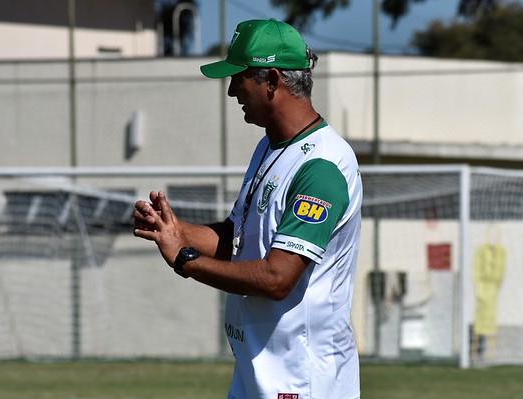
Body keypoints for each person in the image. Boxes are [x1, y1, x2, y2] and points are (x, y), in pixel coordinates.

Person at [133, 18, 362, 399]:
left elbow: (277, 277)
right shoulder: (269, 148)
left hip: (301, 382)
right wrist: (171, 230)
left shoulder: (321, 166)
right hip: (258, 371)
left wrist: (185, 259)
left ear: (271, 81)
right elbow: (236, 237)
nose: (230, 91)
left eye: (239, 77)